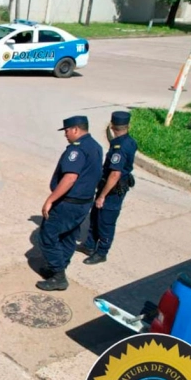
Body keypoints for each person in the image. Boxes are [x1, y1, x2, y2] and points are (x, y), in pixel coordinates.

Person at [37, 116, 103, 291]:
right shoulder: (96, 146)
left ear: (75, 129)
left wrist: (50, 200)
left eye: (66, 131)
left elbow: (70, 178)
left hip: (68, 203)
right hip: (83, 203)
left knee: (47, 237)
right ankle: (58, 267)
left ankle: (58, 276)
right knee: (68, 236)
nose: (65, 135)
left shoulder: (77, 150)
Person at [77, 111, 138, 265]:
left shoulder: (120, 147)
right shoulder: (129, 141)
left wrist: (102, 195)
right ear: (128, 126)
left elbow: (115, 174)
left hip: (113, 190)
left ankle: (101, 252)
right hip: (109, 186)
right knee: (96, 215)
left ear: (112, 126)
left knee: (106, 221)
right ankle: (90, 245)